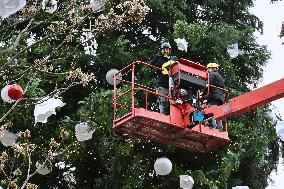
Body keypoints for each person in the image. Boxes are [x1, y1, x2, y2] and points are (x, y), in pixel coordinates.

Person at [149, 42, 178, 115]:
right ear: (161, 51)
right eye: (164, 49)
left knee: (174, 102)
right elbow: (150, 65)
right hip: (162, 84)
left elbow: (178, 66)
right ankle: (163, 116)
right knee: (163, 102)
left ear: (169, 50)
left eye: (167, 49)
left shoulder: (173, 58)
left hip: (172, 84)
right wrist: (157, 57)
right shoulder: (159, 59)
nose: (165, 51)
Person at [205, 63, 225, 130]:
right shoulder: (220, 77)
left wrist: (202, 93)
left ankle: (214, 127)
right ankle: (220, 128)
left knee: (212, 111)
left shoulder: (212, 74)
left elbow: (208, 84)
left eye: (208, 69)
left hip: (213, 96)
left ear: (212, 68)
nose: (207, 70)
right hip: (220, 98)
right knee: (218, 112)